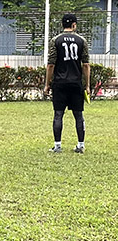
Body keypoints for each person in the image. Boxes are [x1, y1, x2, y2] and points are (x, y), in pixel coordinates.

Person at [44, 13, 91, 154]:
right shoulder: (81, 41)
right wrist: (87, 85)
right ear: (74, 25)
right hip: (76, 82)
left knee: (58, 114)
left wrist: (47, 84)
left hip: (59, 83)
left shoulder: (55, 40)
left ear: (62, 25)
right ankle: (80, 145)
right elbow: (86, 64)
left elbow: (51, 64)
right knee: (79, 114)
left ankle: (57, 146)